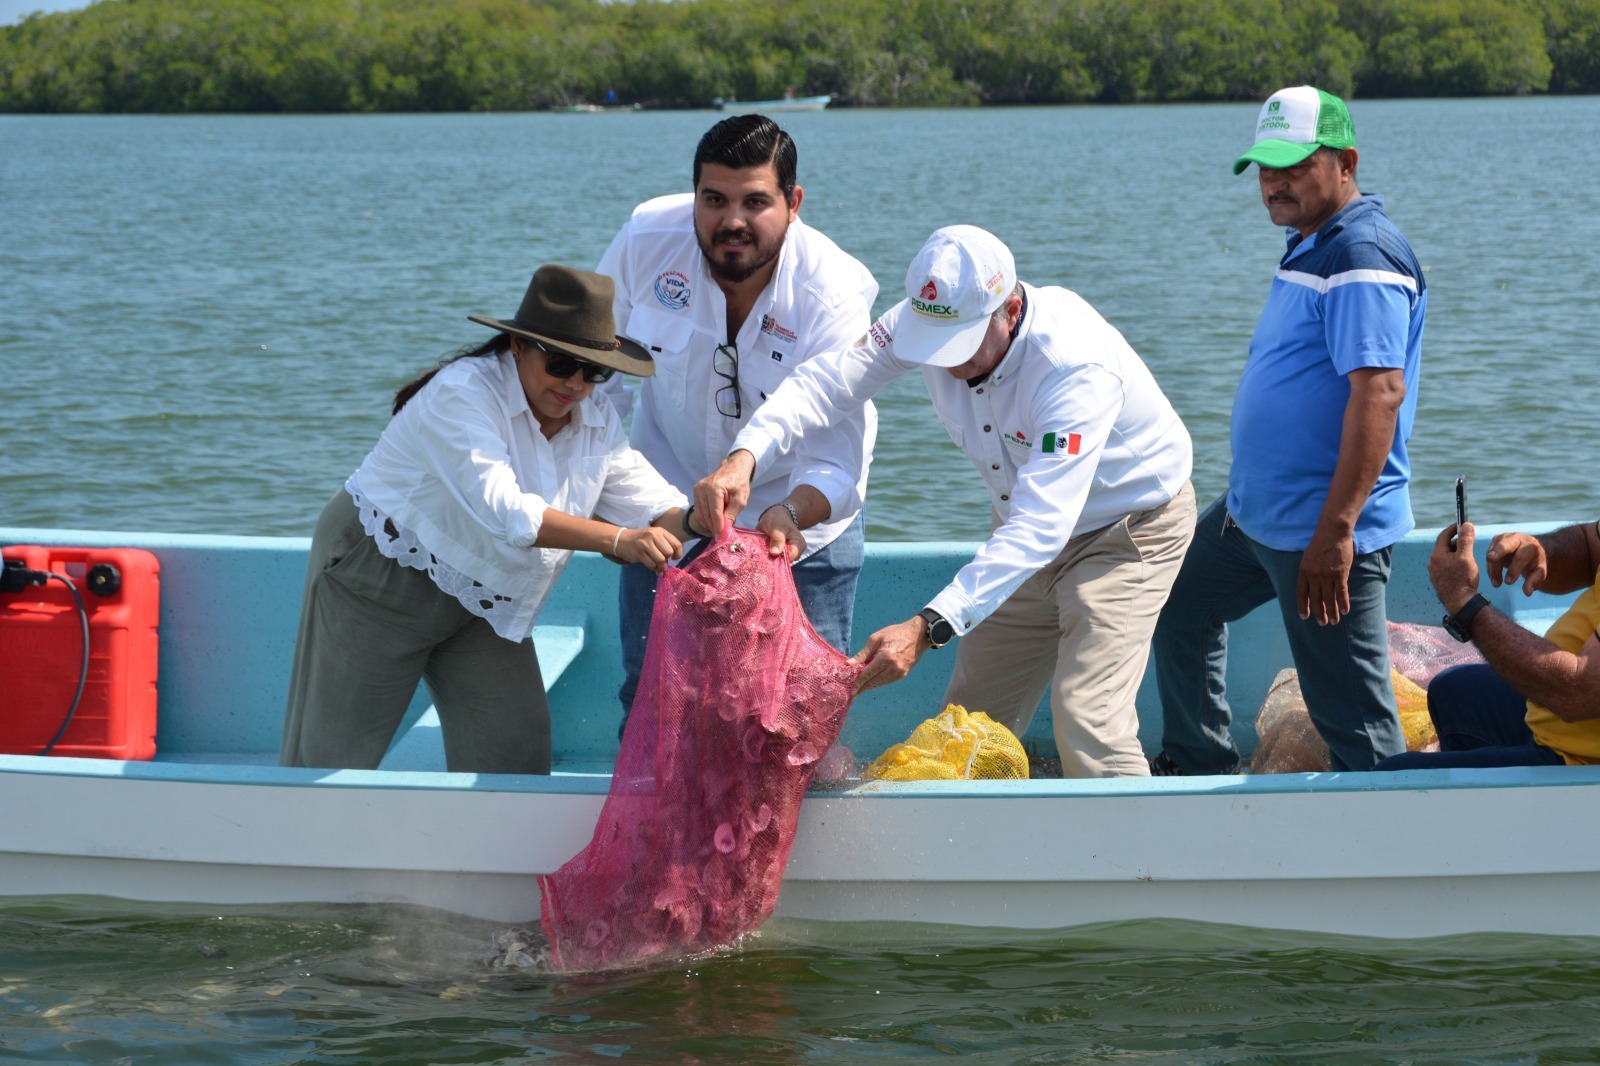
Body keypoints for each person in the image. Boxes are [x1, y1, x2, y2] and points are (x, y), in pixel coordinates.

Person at [696, 225, 1195, 778]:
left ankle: (1135, 863)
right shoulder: (924, 316)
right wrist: (746, 456)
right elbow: (827, 384)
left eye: (959, 344)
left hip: (1126, 532)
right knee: (967, 724)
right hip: (1019, 532)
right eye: (933, 347)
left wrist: (927, 626)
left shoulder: (1072, 369)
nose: (947, 364)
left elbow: (1041, 526)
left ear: (1010, 307)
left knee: (1087, 719)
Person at [280, 265, 701, 774]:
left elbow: (655, 505)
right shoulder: (461, 392)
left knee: (516, 761)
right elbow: (507, 512)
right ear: (519, 346)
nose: (576, 384)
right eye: (564, 363)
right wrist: (619, 540)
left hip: (486, 598)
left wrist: (707, 517)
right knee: (328, 766)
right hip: (380, 574)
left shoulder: (595, 419)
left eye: (596, 372)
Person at [1149, 85, 1427, 775]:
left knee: (1355, 725)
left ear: (1345, 161)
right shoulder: (1310, 242)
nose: (1275, 182)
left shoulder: (1361, 253)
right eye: (1266, 168)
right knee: (1177, 604)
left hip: (1322, 530)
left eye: (1295, 165)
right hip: (1252, 517)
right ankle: (1198, 764)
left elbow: (1379, 394)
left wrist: (1335, 534)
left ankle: (1389, 853)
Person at [595, 113, 878, 722]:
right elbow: (596, 383)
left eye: (756, 202)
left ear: (794, 202)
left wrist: (791, 513)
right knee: (652, 706)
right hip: (668, 513)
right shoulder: (646, 239)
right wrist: (598, 488)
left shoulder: (834, 292)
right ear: (693, 194)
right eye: (714, 199)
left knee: (796, 721)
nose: (732, 222)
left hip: (798, 529)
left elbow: (838, 458)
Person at [1377, 520, 1600, 769]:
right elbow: (1591, 548)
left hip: (1581, 759)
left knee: (1390, 775)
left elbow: (1578, 695)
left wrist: (1464, 603)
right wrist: (1541, 551)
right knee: (1451, 691)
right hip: (1561, 721)